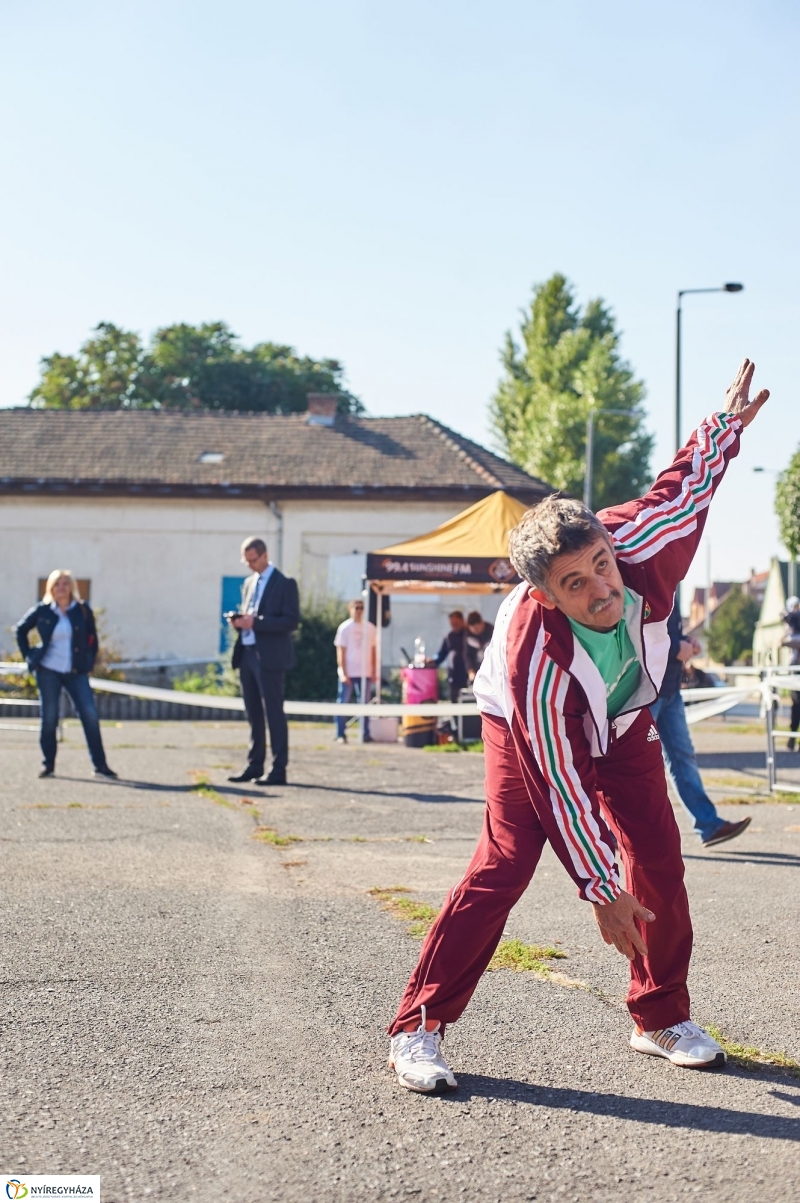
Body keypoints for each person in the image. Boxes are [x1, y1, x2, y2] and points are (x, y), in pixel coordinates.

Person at [388, 359, 769, 1093]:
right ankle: (419, 1024)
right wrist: (599, 887)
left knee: (658, 851)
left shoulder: (641, 543)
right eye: (575, 584)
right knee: (506, 860)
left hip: (624, 714)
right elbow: (562, 783)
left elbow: (684, 487)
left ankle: (658, 1013)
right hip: (528, 723)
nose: (601, 589)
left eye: (601, 565)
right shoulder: (535, 654)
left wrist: (722, 427)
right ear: (545, 594)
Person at [650, 599, 751, 847]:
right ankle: (608, 833)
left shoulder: (672, 584)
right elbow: (633, 629)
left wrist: (686, 641)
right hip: (646, 692)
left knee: (683, 758)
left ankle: (709, 826)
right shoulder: (643, 570)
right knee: (630, 765)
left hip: (671, 690)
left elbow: (666, 630)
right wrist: (676, 646)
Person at [15, 570, 117, 780]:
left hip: (76, 671)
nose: (61, 587)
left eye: (65, 583)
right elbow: (20, 631)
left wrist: (89, 662)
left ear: (71, 587)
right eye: (57, 584)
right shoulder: (43, 610)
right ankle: (48, 765)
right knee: (49, 718)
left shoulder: (81, 610)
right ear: (50, 588)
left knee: (89, 715)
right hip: (48, 670)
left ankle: (100, 766)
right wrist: (31, 656)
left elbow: (92, 638)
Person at [227, 537, 300, 787]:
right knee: (253, 714)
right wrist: (239, 622)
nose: (249, 565)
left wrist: (256, 623)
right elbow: (250, 615)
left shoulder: (285, 584)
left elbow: (291, 621)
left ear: (264, 555)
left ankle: (278, 769)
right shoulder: (248, 583)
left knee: (273, 714)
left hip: (270, 658)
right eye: (245, 561)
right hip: (247, 654)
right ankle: (254, 764)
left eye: (252, 560)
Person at [333, 599, 377, 744]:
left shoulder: (370, 628)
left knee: (364, 704)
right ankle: (340, 734)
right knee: (343, 702)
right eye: (356, 607)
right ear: (350, 609)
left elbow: (373, 650)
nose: (359, 610)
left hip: (365, 672)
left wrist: (374, 670)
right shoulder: (344, 628)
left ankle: (365, 734)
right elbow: (341, 651)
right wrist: (343, 671)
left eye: (361, 608)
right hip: (349, 671)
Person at [428, 611, 468, 702]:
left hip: (466, 675)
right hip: (453, 676)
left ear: (462, 621)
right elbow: (442, 653)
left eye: (456, 624)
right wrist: (433, 660)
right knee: (454, 701)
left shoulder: (468, 635)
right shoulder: (449, 637)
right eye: (452, 624)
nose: (454, 626)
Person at [781, 596, 800, 750]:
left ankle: (793, 739)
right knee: (796, 706)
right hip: (795, 671)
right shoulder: (790, 626)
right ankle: (792, 737)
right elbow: (783, 641)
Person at [465, 611, 494, 680]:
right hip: (477, 668)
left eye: (477, 628)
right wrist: (470, 670)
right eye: (473, 629)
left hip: (491, 667)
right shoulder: (468, 635)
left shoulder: (491, 631)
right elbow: (467, 654)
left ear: (482, 623)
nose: (476, 631)